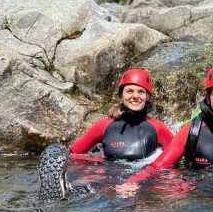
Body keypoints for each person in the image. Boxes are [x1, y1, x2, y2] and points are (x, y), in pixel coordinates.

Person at [38, 68, 174, 201]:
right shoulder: (104, 125)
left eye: (141, 92)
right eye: (130, 91)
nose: (135, 96)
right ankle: (62, 190)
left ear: (148, 96)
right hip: (109, 176)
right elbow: (73, 154)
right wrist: (95, 163)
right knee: (91, 186)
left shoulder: (158, 127)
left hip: (144, 179)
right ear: (122, 95)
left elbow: (175, 159)